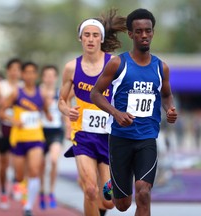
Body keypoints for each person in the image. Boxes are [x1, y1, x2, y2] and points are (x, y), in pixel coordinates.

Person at [90, 8, 178, 216]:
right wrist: (116, 113)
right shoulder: (118, 64)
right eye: (138, 31)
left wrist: (170, 109)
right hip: (121, 138)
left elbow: (166, 95)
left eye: (148, 31)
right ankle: (114, 184)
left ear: (153, 32)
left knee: (144, 193)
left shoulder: (161, 67)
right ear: (130, 34)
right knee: (122, 205)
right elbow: (95, 94)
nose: (144, 35)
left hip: (147, 138)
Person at [58, 9, 126, 216]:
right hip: (83, 135)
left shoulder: (114, 64)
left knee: (108, 201)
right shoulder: (71, 67)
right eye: (86, 35)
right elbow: (61, 100)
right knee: (90, 189)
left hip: (109, 137)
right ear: (80, 38)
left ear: (101, 39)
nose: (90, 39)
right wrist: (68, 111)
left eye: (95, 35)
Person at [0, 61, 52, 216]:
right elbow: (1, 112)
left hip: (36, 137)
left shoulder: (41, 94)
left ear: (36, 75)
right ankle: (19, 186)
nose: (30, 75)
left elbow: (46, 111)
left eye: (33, 72)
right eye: (26, 72)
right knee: (20, 174)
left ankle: (28, 205)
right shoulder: (16, 93)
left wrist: (48, 115)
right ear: (22, 75)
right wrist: (13, 120)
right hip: (19, 138)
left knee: (34, 171)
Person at [0, 58, 23, 209]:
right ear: (8, 71)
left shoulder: (23, 87)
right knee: (4, 164)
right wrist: (1, 102)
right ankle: (3, 192)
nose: (15, 73)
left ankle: (16, 183)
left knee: (19, 162)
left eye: (18, 70)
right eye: (12, 69)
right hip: (4, 129)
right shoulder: (0, 87)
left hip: (20, 129)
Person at [39, 65, 64, 209]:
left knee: (54, 160)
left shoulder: (60, 92)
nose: (49, 78)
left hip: (55, 131)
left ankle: (52, 191)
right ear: (43, 77)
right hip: (41, 131)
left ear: (55, 78)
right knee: (41, 164)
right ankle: (42, 190)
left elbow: (65, 109)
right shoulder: (38, 92)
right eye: (46, 75)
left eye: (52, 75)